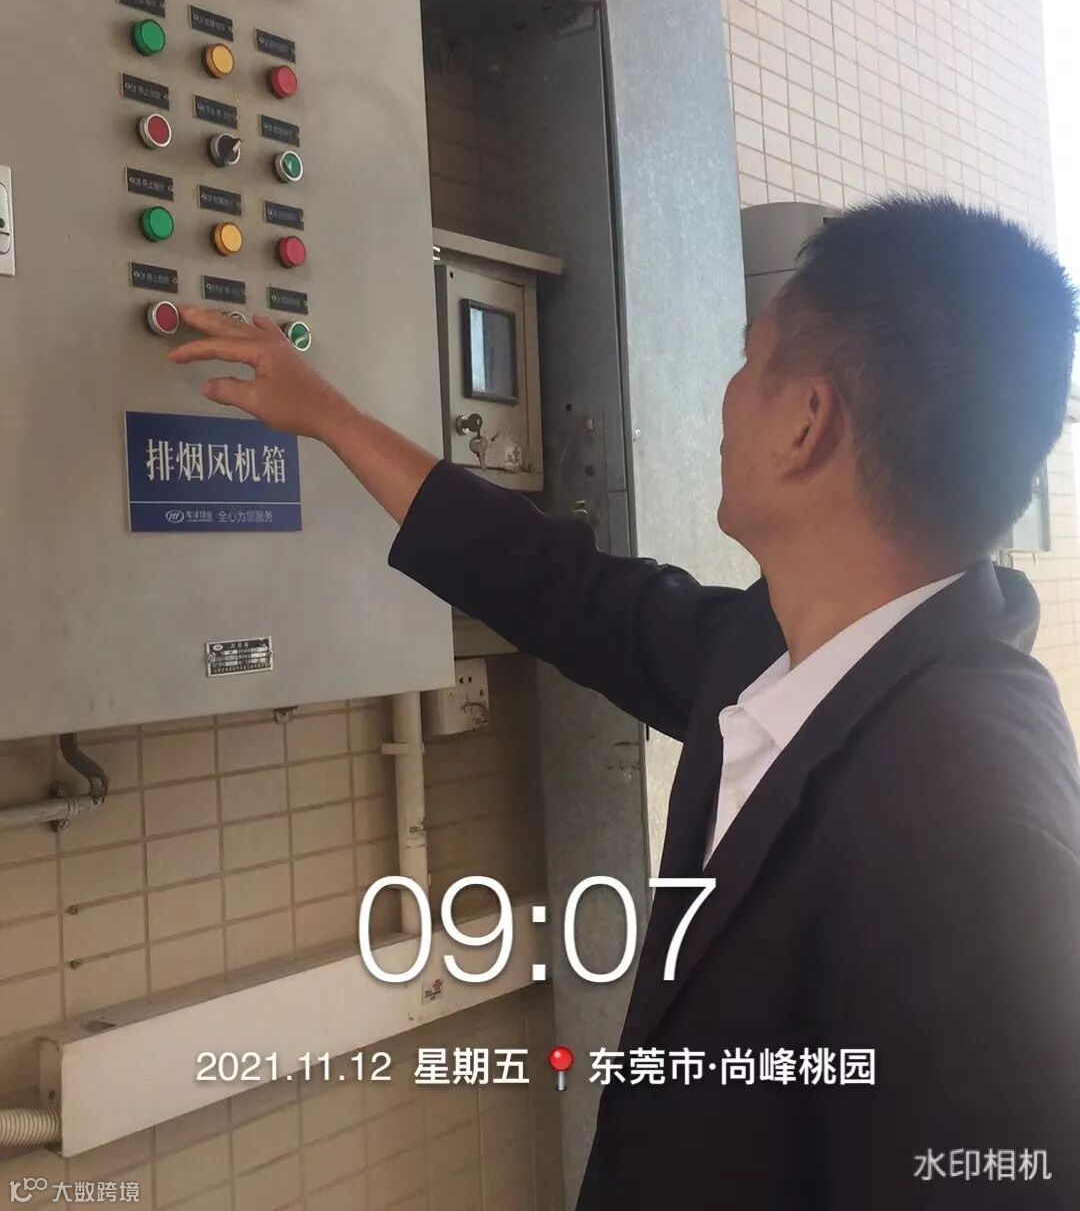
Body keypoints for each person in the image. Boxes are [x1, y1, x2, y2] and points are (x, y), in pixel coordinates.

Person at [169, 195, 1080, 1209]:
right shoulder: (785, 657)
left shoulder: (974, 830)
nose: (727, 397)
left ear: (805, 423)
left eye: (748, 363)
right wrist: (328, 416)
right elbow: (560, 588)